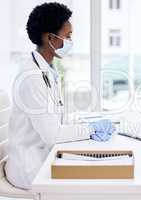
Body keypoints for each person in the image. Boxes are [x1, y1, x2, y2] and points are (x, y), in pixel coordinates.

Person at [5, 3, 113, 190]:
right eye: (68, 35)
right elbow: (53, 135)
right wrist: (90, 130)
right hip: (29, 167)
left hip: (43, 155)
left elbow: (56, 119)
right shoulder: (31, 77)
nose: (71, 40)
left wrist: (85, 122)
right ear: (50, 38)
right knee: (95, 182)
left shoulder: (46, 70)